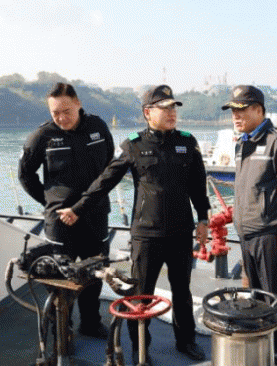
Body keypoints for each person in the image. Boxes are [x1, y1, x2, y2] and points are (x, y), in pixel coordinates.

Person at [57, 85, 210, 363]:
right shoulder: (133, 144)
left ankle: (186, 340)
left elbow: (198, 187)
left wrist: (203, 219)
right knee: (141, 294)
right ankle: (141, 347)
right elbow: (105, 181)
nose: (172, 113)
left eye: (174, 108)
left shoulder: (187, 143)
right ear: (147, 113)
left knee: (182, 291)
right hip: (146, 234)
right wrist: (78, 209)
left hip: (180, 232)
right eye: (165, 108)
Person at [18, 82, 114, 339]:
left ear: (78, 104)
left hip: (95, 216)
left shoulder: (98, 127)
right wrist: (50, 203)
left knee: (94, 272)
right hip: (61, 222)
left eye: (66, 111)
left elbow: (109, 166)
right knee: (59, 278)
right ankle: (62, 329)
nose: (61, 118)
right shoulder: (42, 136)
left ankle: (90, 323)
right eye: (55, 113)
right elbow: (25, 175)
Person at [221, 85, 277, 366]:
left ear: (258, 110)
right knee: (255, 299)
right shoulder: (242, 144)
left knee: (274, 301)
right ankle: (260, 352)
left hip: (270, 235)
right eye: (233, 111)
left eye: (241, 110)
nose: (235, 116)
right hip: (247, 235)